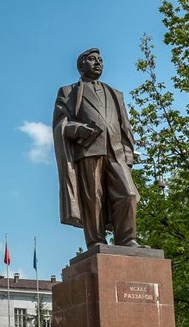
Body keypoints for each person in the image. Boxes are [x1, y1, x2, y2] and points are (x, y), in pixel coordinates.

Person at [52, 48, 140, 248]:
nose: (98, 63)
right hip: (90, 150)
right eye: (92, 59)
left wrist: (128, 155)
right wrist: (77, 129)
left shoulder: (115, 94)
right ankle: (96, 240)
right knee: (93, 198)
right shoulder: (69, 92)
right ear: (81, 65)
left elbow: (125, 127)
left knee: (128, 194)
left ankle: (127, 239)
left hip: (116, 152)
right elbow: (60, 124)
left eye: (100, 60)